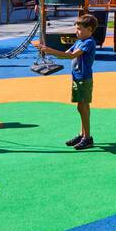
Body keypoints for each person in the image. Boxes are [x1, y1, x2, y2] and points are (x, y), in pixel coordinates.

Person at [36, 14, 100, 150]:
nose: (76, 31)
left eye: (79, 29)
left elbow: (71, 55)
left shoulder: (88, 42)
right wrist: (47, 51)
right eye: (76, 28)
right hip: (77, 77)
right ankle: (82, 134)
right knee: (81, 107)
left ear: (89, 29)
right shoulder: (78, 42)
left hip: (84, 78)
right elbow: (64, 54)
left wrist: (49, 50)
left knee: (83, 107)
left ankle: (87, 137)